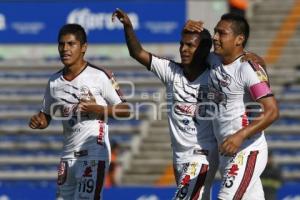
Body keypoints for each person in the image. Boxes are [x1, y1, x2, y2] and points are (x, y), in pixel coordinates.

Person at [112, 8, 219, 200]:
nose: (184, 49)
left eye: (190, 46)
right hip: (179, 157)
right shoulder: (171, 71)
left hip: (203, 156)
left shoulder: (215, 74)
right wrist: (128, 27)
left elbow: (235, 58)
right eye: (182, 44)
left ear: (203, 50)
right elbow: (137, 52)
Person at [28, 24, 130, 200]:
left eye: (71, 44)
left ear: (83, 47)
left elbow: (126, 110)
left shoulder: (99, 76)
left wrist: (99, 109)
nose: (65, 49)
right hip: (67, 157)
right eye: (61, 44)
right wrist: (39, 122)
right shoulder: (54, 82)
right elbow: (46, 116)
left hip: (93, 154)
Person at [184, 13, 279, 200]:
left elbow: (272, 111)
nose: (215, 37)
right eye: (215, 32)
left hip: (247, 150)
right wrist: (188, 29)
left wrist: (240, 135)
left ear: (239, 39)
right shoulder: (213, 60)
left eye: (222, 33)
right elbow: (189, 54)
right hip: (226, 152)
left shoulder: (248, 68)